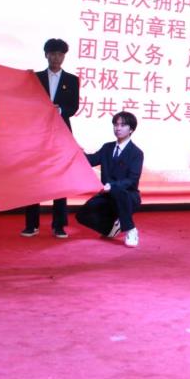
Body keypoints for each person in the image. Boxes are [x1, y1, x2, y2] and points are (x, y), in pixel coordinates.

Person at [22, 38, 80, 239]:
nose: (56, 58)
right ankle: (31, 224)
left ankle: (59, 225)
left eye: (60, 54)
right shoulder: (35, 77)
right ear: (46, 54)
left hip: (61, 134)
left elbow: (73, 106)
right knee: (34, 177)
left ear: (64, 56)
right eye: (53, 53)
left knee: (60, 178)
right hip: (37, 134)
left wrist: (60, 110)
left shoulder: (72, 80)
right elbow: (26, 103)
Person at [76, 112, 144, 247]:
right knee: (82, 215)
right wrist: (77, 150)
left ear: (131, 129)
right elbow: (91, 160)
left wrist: (112, 186)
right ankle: (111, 228)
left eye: (123, 125)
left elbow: (132, 180)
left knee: (118, 190)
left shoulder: (136, 153)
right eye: (116, 125)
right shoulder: (107, 147)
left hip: (127, 196)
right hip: (107, 195)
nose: (118, 128)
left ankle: (130, 229)